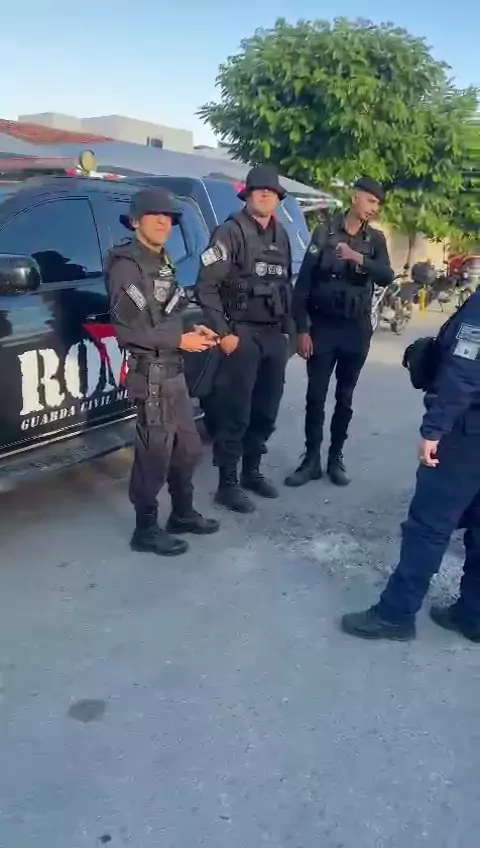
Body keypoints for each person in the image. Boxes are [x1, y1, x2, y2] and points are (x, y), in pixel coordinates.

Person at [341, 291, 480, 643]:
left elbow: (465, 370)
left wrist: (435, 429)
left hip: (467, 433)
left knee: (429, 527)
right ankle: (473, 615)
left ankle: (395, 615)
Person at [106, 187, 220, 557]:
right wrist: (180, 340)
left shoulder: (162, 261)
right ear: (135, 221)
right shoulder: (127, 265)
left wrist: (192, 330)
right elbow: (129, 332)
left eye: (168, 216)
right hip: (151, 374)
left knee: (188, 448)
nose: (163, 222)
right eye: (154, 215)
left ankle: (182, 513)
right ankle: (146, 529)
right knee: (153, 455)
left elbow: (166, 314)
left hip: (173, 369)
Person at [195, 165, 294, 513]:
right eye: (258, 190)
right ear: (248, 195)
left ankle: (252, 472)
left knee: (266, 411)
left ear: (278, 198)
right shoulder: (230, 232)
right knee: (235, 412)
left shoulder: (281, 235)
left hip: (273, 336)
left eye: (271, 191)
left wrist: (292, 332)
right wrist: (224, 333)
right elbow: (206, 286)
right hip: (241, 335)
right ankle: (228, 484)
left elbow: (286, 286)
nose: (265, 195)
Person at [284, 178, 394, 488]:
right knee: (315, 396)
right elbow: (303, 285)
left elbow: (387, 275)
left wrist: (359, 258)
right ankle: (311, 460)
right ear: (355, 197)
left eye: (378, 204)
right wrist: (302, 330)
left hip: (355, 329)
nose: (374, 208)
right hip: (323, 326)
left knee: (345, 397)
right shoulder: (324, 233)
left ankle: (335, 458)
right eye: (370, 201)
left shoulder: (375, 240)